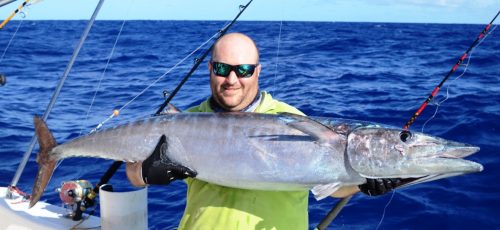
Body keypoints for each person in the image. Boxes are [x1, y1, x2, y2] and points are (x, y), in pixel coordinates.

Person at [126, 33, 400, 229]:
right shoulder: (187, 120)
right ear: (210, 69)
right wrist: (148, 172)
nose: (231, 80)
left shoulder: (294, 121)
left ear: (257, 71)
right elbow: (133, 175)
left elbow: (329, 186)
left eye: (243, 70)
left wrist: (363, 183)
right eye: (222, 69)